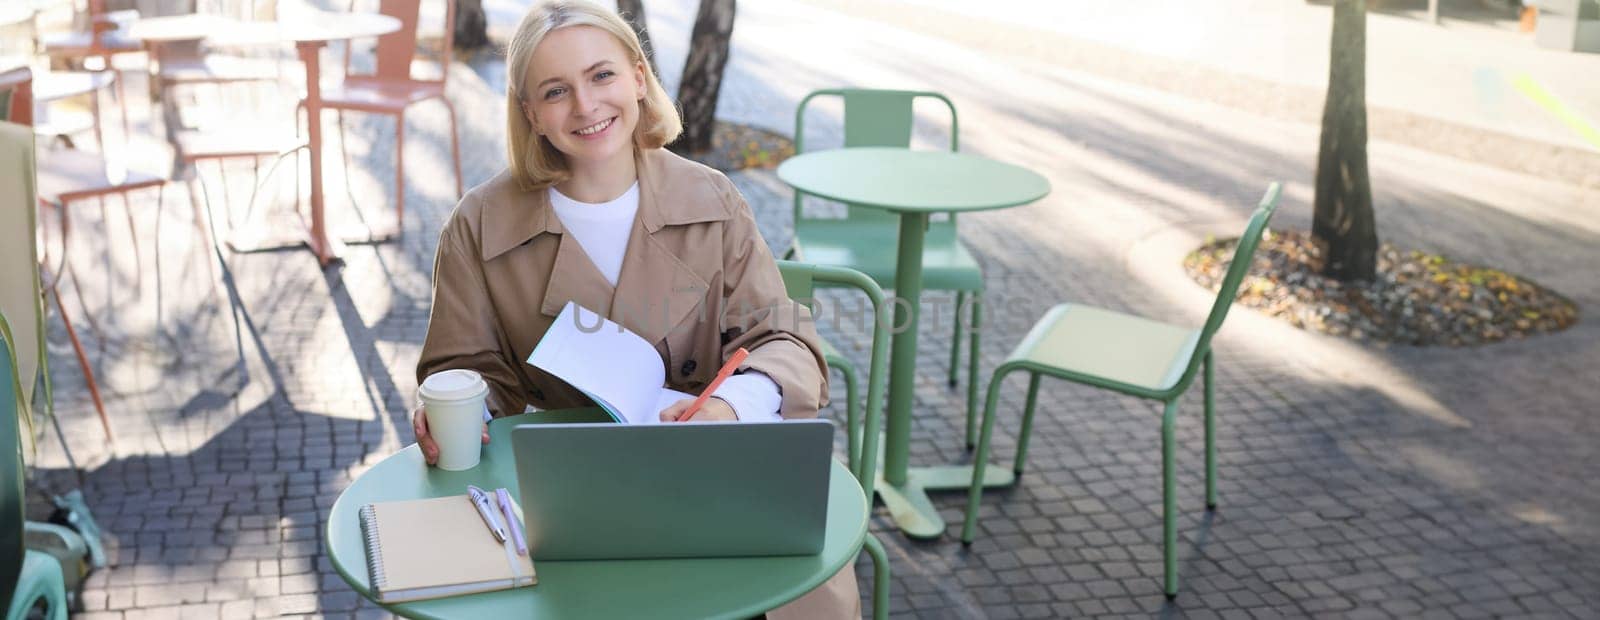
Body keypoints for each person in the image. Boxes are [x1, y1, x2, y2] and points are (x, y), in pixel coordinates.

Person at [411, 1, 857, 617]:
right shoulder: (478, 223)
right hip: (569, 498)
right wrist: (458, 406)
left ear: (639, 78)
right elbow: (466, 364)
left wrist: (729, 407)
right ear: (530, 114)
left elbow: (781, 339)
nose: (586, 106)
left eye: (602, 76)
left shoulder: (713, 198)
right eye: (556, 90)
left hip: (713, 473)